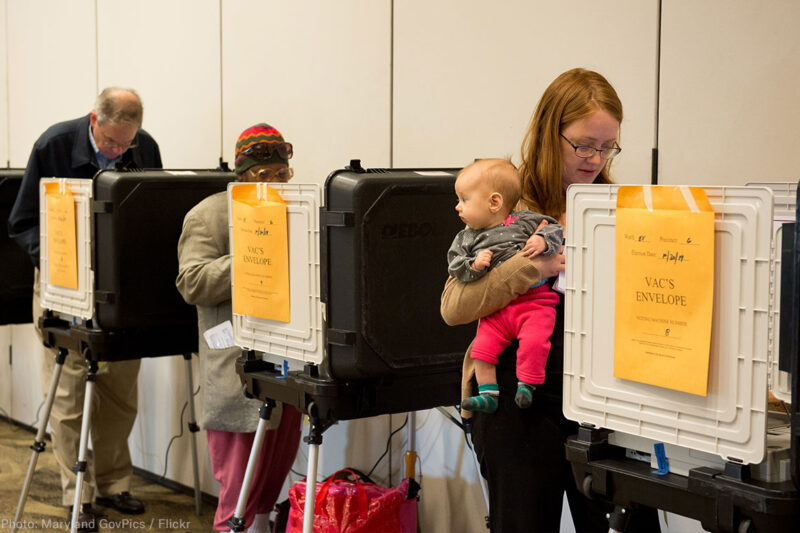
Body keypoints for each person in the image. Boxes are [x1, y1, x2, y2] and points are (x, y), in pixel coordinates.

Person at [441, 68, 660, 532]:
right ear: (549, 133)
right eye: (583, 144)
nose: (595, 158)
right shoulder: (506, 205)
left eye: (607, 146)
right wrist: (531, 269)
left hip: (604, 399)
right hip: (520, 399)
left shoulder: (616, 207)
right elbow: (454, 307)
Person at [7, 87, 162, 531]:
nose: (118, 152)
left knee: (120, 389)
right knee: (70, 393)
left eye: (125, 144)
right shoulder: (52, 146)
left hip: (118, 288)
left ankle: (115, 484)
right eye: (111, 143)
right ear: (94, 120)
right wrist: (58, 264)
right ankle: (78, 492)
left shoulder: (144, 147)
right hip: (63, 281)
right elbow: (22, 222)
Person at [176, 123, 302, 532]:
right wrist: (251, 256)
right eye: (264, 176)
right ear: (242, 173)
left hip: (287, 365)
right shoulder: (208, 214)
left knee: (273, 480)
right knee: (238, 491)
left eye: (282, 174)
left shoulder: (296, 210)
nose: (276, 183)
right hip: (236, 369)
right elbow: (191, 283)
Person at [448, 158, 562, 413]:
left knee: (535, 341)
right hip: (498, 311)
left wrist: (543, 241)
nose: (457, 207)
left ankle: (528, 384)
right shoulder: (468, 236)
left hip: (534, 303)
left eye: (464, 200)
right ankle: (488, 394)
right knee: (482, 349)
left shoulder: (524, 220)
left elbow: (555, 229)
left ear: (495, 202)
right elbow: (454, 267)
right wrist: (473, 265)